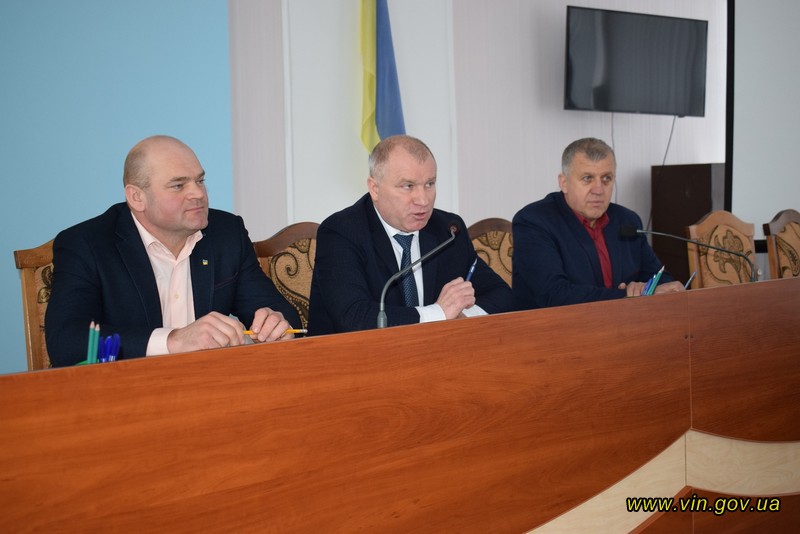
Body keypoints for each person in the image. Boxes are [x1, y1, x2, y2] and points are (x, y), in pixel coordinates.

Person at [45, 135, 301, 367]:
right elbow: (67, 342)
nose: (198, 193)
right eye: (178, 186)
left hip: (212, 385)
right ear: (136, 198)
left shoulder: (226, 233)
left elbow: (280, 313)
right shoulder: (87, 244)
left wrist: (275, 324)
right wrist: (172, 341)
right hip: (129, 390)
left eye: (200, 180)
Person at [308, 135, 512, 335]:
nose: (423, 200)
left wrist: (462, 318)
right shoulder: (342, 232)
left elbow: (502, 295)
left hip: (436, 353)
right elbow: (354, 317)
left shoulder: (448, 230)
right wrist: (438, 314)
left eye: (429, 184)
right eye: (408, 186)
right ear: (375, 189)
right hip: (353, 355)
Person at [512, 137, 684, 310]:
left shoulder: (627, 220)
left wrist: (660, 288)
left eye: (606, 178)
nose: (599, 190)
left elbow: (659, 277)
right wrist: (627, 295)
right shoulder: (534, 222)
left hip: (624, 322)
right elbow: (555, 295)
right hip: (555, 325)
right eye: (587, 178)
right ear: (564, 183)